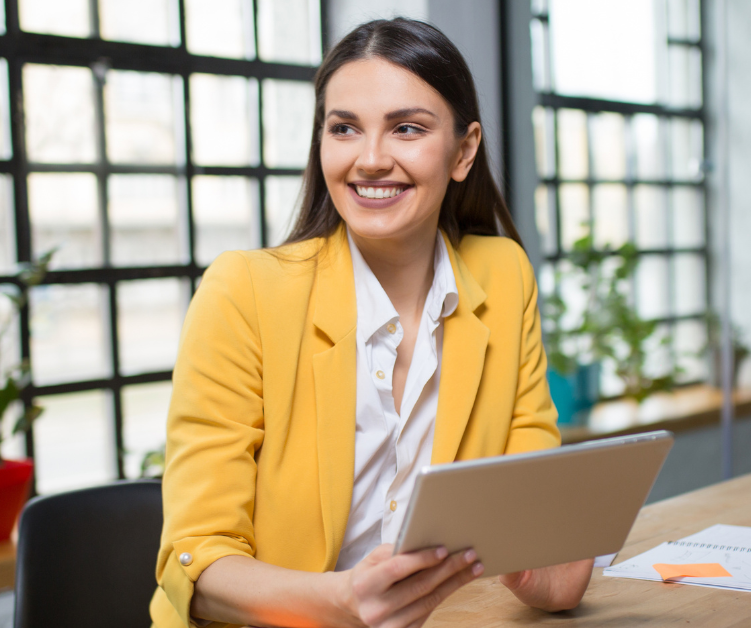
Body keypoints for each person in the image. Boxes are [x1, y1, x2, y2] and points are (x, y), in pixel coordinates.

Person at [151, 18, 593, 628]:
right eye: (344, 129)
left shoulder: (502, 275)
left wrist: (542, 566)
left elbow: (533, 518)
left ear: (463, 151)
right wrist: (345, 601)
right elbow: (195, 564)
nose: (371, 159)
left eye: (407, 128)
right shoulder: (244, 292)